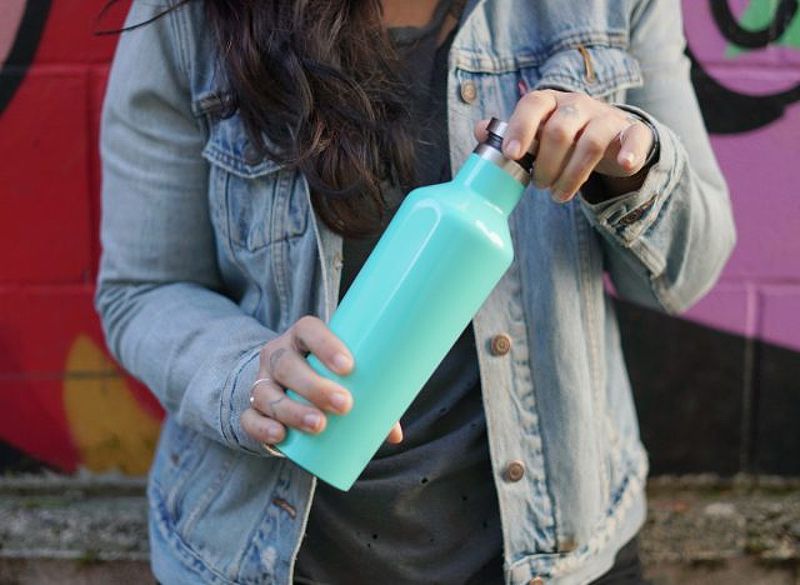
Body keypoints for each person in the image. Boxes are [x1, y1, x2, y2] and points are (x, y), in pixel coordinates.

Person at [95, 0, 736, 583]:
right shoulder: (189, 19)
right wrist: (248, 376)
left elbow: (687, 275)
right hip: (269, 557)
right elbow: (143, 289)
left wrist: (633, 167)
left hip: (557, 552)